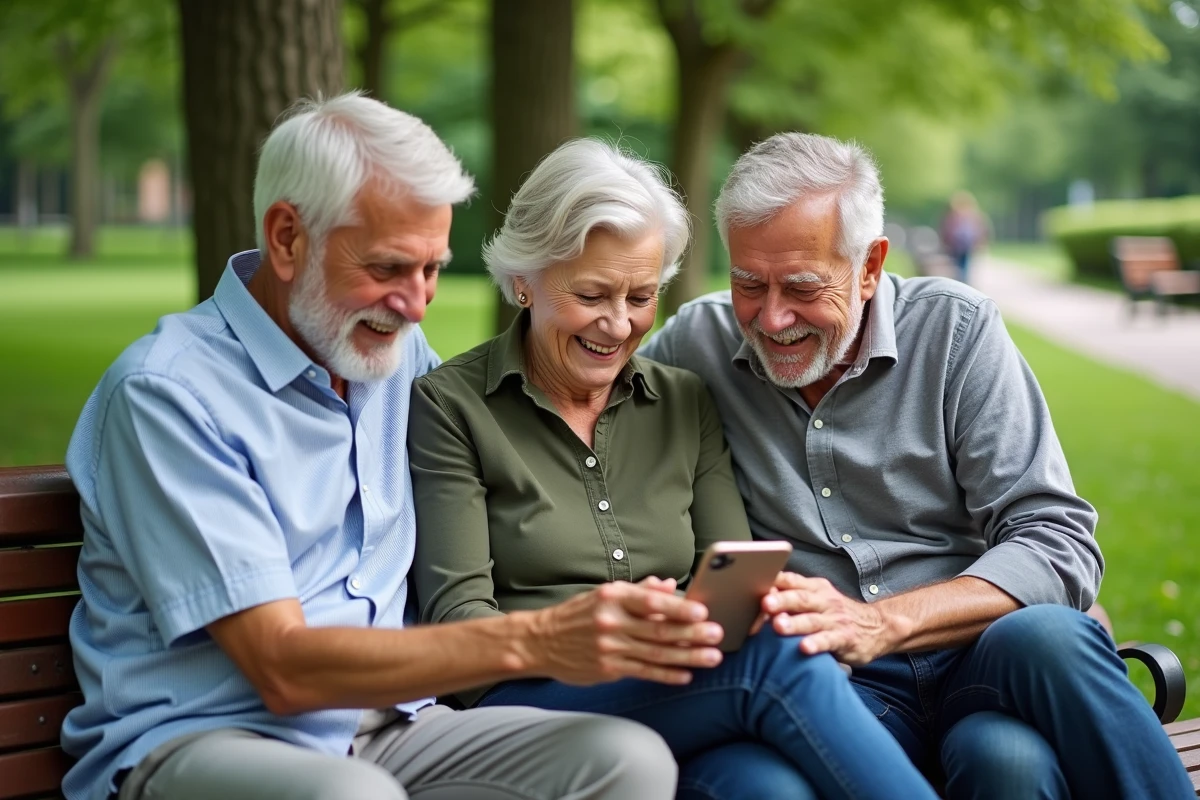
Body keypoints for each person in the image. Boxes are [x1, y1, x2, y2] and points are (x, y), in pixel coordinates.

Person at [59, 93, 722, 800]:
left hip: (392, 731)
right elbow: (282, 667)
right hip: (206, 741)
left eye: (433, 269)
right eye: (387, 268)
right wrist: (540, 639)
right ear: (287, 237)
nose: (417, 303)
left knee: (625, 757)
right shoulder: (170, 395)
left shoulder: (392, 357)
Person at [640, 132, 1194, 799]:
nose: (772, 317)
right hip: (841, 691)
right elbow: (578, 405)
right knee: (1008, 765)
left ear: (871, 265)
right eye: (748, 283)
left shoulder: (956, 331)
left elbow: (1059, 541)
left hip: (980, 655)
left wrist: (879, 621)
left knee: (1053, 638)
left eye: (804, 286)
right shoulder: (693, 347)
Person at [409, 138, 940, 800]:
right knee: (774, 658)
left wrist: (692, 619)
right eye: (592, 293)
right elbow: (459, 629)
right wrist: (581, 634)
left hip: (679, 688)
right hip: (519, 701)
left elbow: (737, 580)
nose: (617, 323)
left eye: (640, 295)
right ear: (524, 279)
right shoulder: (450, 407)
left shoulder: (684, 399)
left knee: (768, 790)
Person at [939, 190, 987, 284]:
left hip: (967, 245)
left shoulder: (974, 216)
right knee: (958, 265)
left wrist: (980, 243)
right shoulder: (951, 217)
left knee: (964, 265)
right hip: (955, 246)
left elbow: (981, 231)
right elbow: (945, 230)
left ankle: (963, 281)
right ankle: (961, 280)